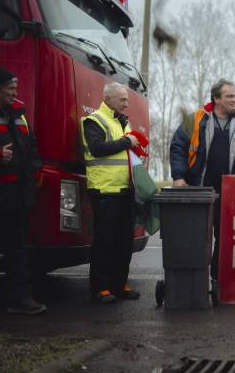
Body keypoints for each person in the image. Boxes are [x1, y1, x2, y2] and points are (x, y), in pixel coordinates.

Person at [170, 78, 235, 304]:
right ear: (216, 99)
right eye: (229, 96)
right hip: (198, 191)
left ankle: (216, 281)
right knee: (198, 239)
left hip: (229, 194)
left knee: (223, 240)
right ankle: (195, 282)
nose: (234, 100)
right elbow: (178, 147)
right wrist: (179, 177)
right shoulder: (195, 120)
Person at [0, 65, 46, 316]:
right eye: (10, 87)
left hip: (15, 193)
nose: (14, 91)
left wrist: (36, 169)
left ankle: (20, 300)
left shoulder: (19, 112)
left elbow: (30, 145)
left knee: (17, 249)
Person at [82, 82, 142, 304]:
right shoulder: (94, 120)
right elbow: (97, 149)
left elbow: (124, 151)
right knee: (104, 242)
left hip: (126, 189)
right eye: (122, 100)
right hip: (105, 190)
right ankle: (100, 288)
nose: (127, 104)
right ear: (108, 99)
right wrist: (127, 141)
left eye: (127, 99)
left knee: (124, 242)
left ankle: (119, 285)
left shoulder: (122, 122)